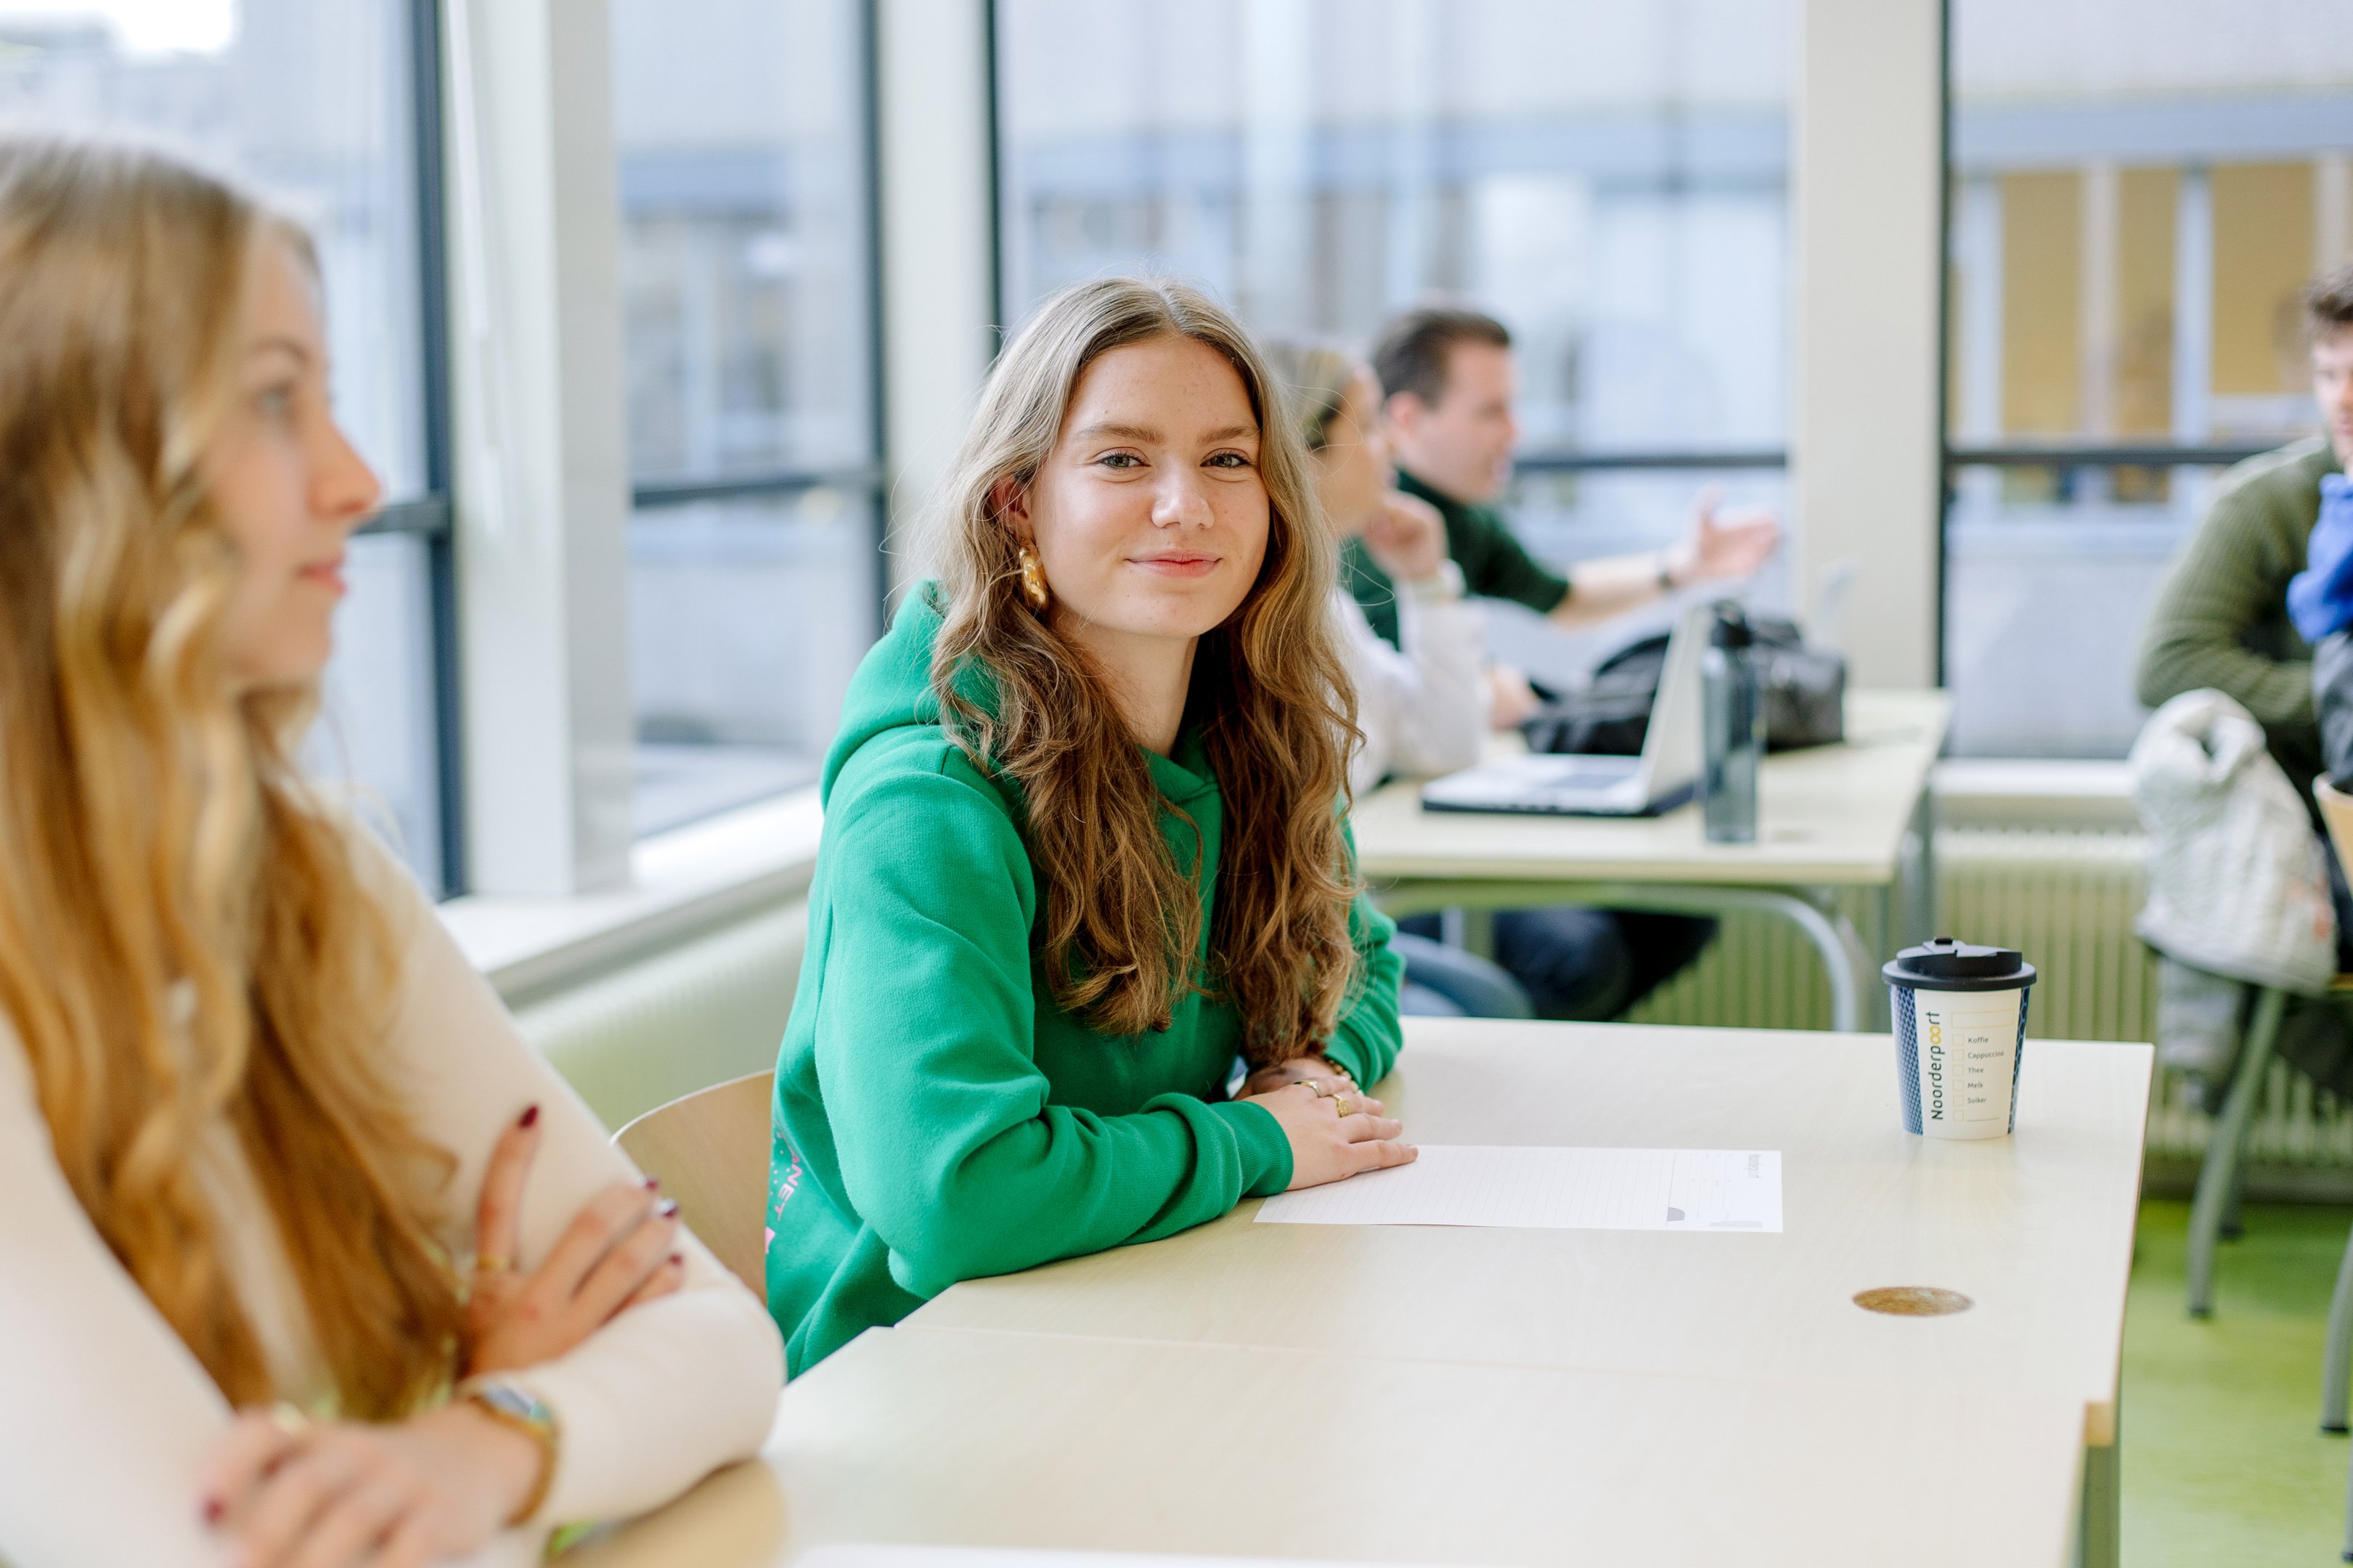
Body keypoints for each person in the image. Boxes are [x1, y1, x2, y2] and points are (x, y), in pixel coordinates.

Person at [0, 141, 782, 1568]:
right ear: (66, 457)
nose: (358, 482)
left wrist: (486, 1441)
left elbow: (722, 1341)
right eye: (276, 402)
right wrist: (505, 1433)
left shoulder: (295, 878)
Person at [764, 278, 1416, 1374]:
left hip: (1155, 1300)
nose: (1186, 505)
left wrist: (1306, 1072)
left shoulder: (1250, 731)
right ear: (1018, 501)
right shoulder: (925, 798)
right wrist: (1253, 1141)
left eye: (1227, 459)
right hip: (930, 1367)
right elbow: (954, 1196)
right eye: (1121, 459)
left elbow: (1363, 967)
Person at [1363, 306, 1781, 1020]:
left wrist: (1682, 568)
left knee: (1677, 918)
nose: (1515, 432)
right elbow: (1421, 702)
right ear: (1407, 420)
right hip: (1394, 854)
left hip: (1452, 812)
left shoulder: (1453, 518)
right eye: (1491, 411)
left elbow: (1562, 598)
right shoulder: (1364, 539)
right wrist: (1488, 688)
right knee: (1580, 952)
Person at [1263, 337, 1530, 1020]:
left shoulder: (1327, 603)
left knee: (1495, 1000)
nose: (1388, 448)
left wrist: (1428, 585)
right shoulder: (1262, 622)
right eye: (1369, 424)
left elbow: (1444, 744)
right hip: (1285, 943)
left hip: (1335, 921)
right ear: (1304, 452)